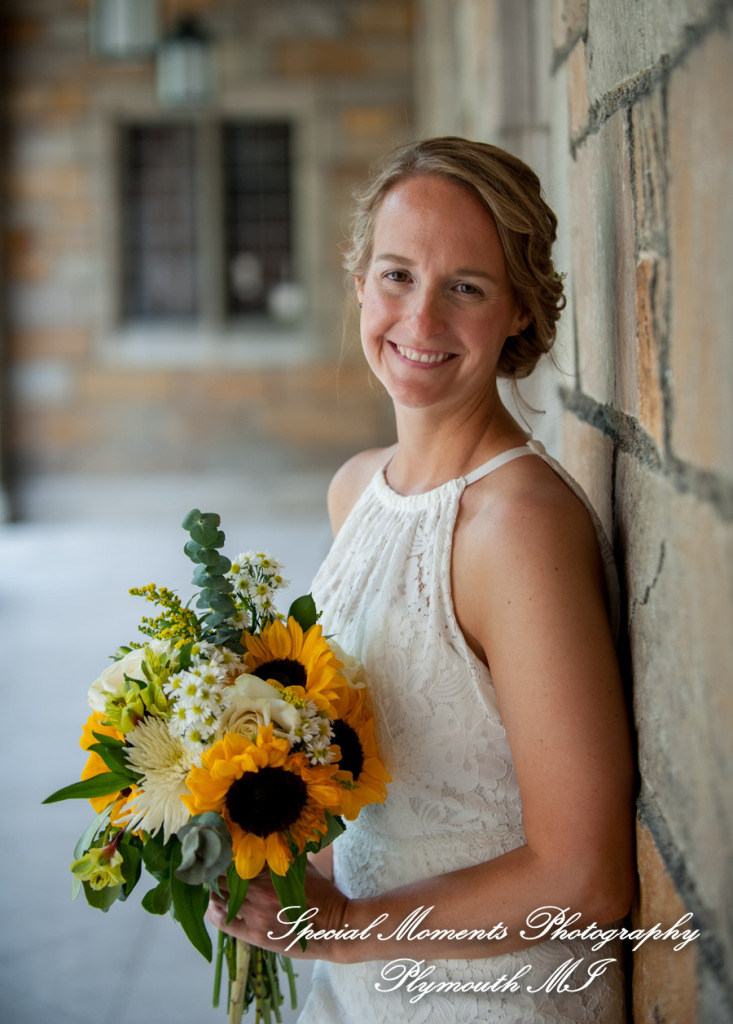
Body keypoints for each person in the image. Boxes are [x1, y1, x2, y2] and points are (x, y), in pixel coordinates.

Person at [207, 137, 635, 1022]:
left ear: (517, 310)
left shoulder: (516, 528)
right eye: (397, 275)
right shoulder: (356, 489)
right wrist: (262, 849)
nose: (421, 319)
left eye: (466, 288)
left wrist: (346, 926)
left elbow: (586, 878)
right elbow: (367, 782)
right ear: (358, 279)